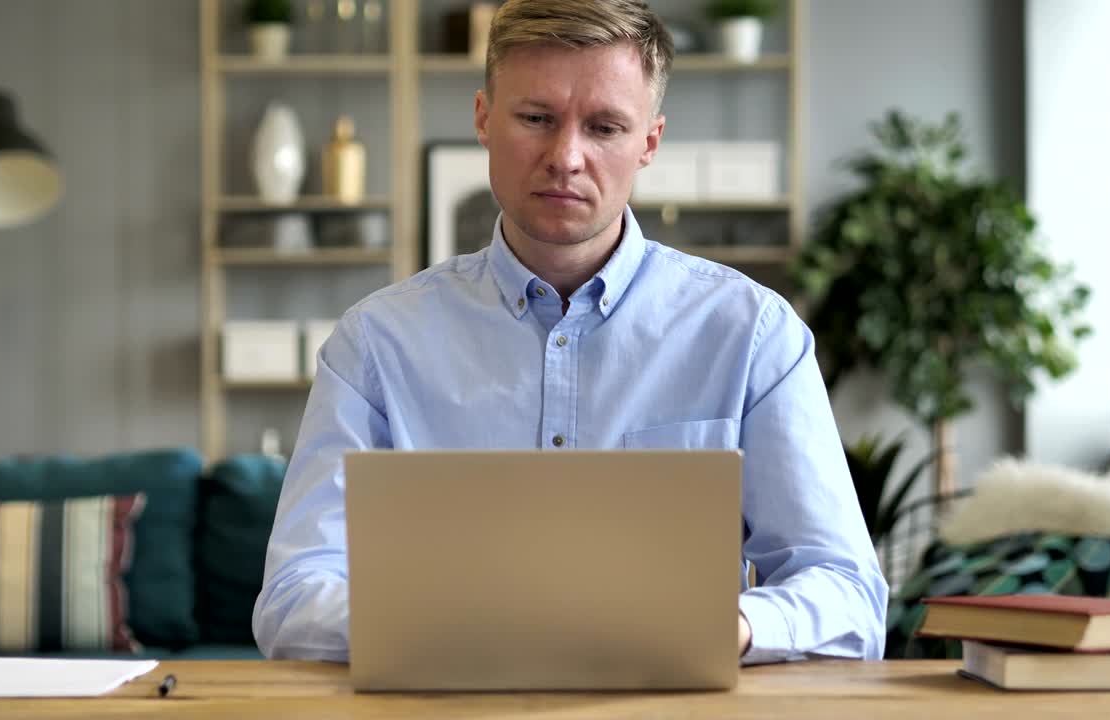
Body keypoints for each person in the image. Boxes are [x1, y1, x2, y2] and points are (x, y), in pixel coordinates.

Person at [253, 0, 887, 664]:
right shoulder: (375, 345)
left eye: (606, 127)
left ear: (649, 142)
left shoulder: (754, 335)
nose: (567, 157)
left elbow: (848, 595)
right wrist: (463, 628)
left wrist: (725, 625)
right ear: (483, 119)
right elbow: (294, 598)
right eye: (536, 119)